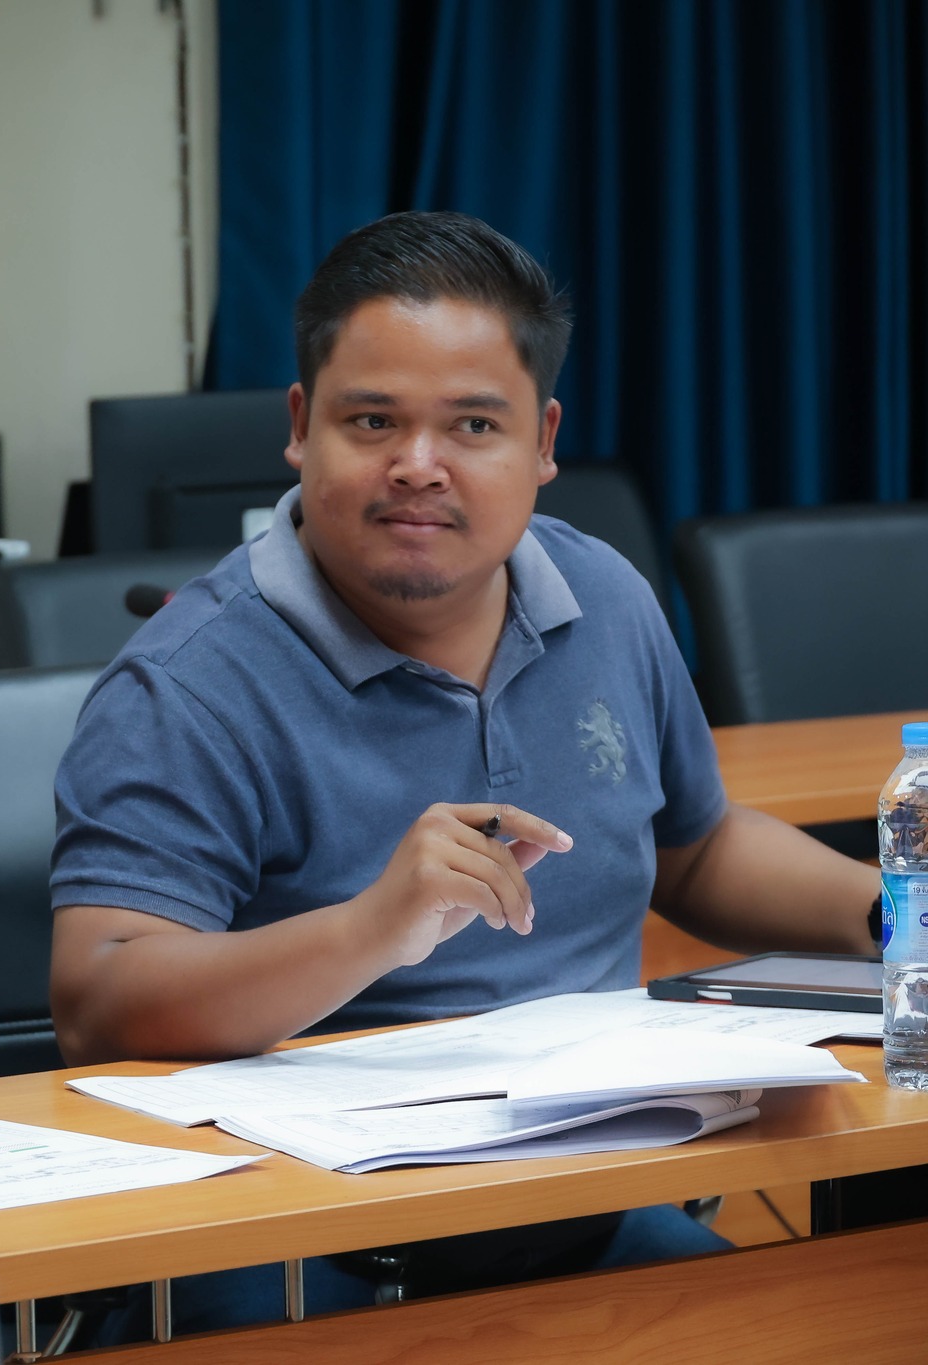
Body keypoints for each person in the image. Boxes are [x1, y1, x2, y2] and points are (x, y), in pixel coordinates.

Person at [49, 212, 882, 1332]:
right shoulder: (186, 684)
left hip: (589, 1203)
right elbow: (97, 1002)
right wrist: (370, 930)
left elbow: (696, 847)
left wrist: (896, 916)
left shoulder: (605, 598)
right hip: (303, 1249)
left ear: (542, 442)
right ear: (299, 428)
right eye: (372, 421)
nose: (417, 466)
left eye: (473, 425)